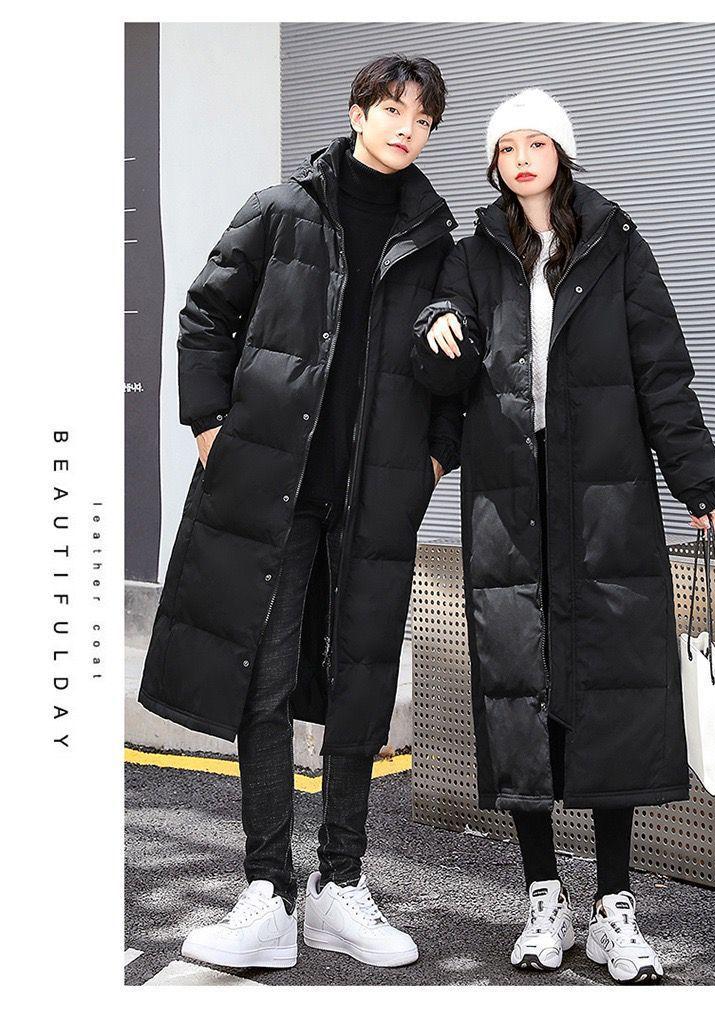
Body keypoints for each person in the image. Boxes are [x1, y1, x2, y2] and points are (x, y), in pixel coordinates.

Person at [139, 54, 462, 970]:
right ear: (358, 112)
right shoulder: (281, 210)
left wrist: (435, 458)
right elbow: (205, 315)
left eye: (423, 119)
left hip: (373, 502)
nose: (406, 129)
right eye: (392, 109)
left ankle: (339, 884)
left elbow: (461, 367)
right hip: (271, 498)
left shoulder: (438, 240)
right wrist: (210, 426)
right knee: (265, 682)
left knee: (361, 684)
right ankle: (268, 890)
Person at [412, 88, 715, 985]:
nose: (521, 157)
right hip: (510, 495)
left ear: (562, 153)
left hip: (604, 493)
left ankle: (615, 905)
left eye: (536, 142)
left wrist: (695, 476)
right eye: (506, 146)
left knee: (613, 687)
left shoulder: (617, 243)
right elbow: (442, 359)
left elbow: (661, 365)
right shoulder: (473, 253)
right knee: (521, 687)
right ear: (493, 163)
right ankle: (544, 894)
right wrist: (438, 326)